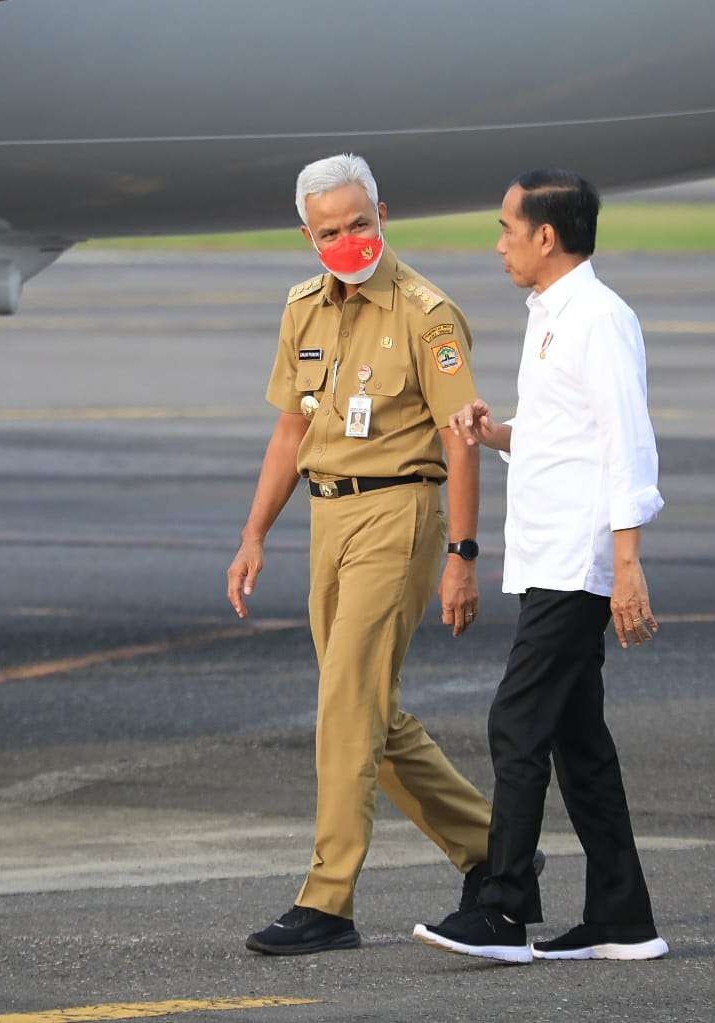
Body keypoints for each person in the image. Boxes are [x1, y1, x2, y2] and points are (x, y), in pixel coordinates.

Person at [227, 153, 508, 956]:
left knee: (345, 706)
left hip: (400, 513)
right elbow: (291, 430)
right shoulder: (302, 310)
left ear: (382, 215)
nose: (345, 239)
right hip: (327, 517)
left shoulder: (428, 314)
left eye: (357, 222)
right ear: (306, 234)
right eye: (328, 230)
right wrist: (254, 533)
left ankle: (326, 901)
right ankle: (493, 850)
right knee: (369, 714)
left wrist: (462, 552)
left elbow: (463, 441)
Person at [413, 169, 669, 964]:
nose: (498, 244)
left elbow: (627, 442)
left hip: (578, 557)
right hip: (550, 552)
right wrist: (494, 432)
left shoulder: (597, 318)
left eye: (505, 229)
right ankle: (622, 918)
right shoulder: (553, 315)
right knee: (573, 737)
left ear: (545, 237)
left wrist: (626, 563)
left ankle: (503, 908)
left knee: (515, 722)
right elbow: (567, 434)